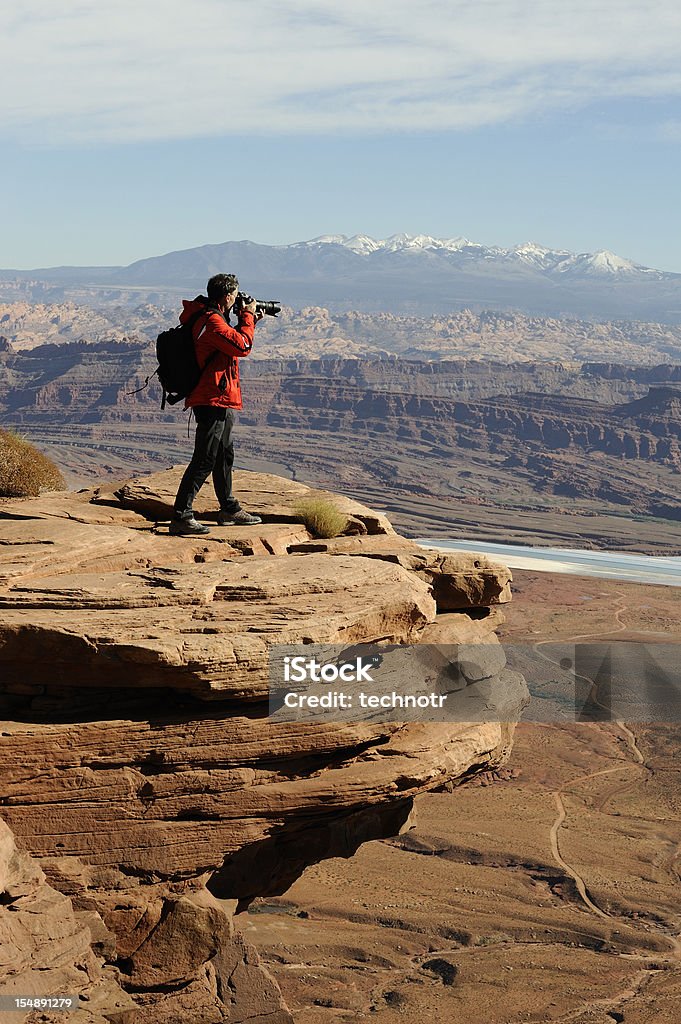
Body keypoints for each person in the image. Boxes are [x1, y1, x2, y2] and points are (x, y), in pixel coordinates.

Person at [170, 273, 263, 536]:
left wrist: (248, 318)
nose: (237, 300)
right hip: (210, 398)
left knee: (224, 455)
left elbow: (231, 342)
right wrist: (247, 318)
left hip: (220, 397)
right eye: (235, 296)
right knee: (205, 458)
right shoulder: (211, 321)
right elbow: (242, 345)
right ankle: (181, 516)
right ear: (227, 296)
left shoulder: (213, 318)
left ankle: (229, 509)